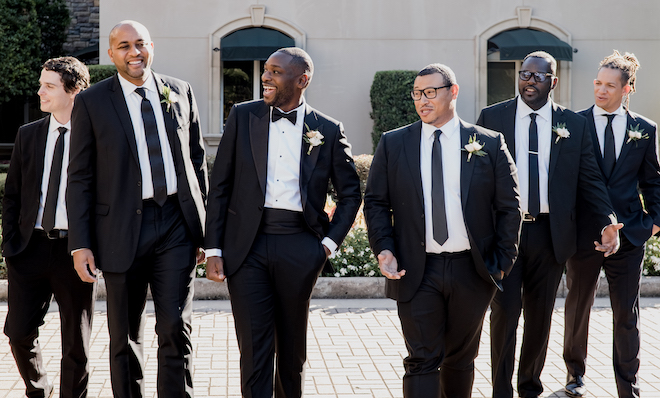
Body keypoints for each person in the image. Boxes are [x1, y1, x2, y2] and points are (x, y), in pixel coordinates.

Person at [204, 47, 361, 398]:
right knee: (255, 351)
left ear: (301, 80)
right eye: (266, 71)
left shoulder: (329, 130)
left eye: (275, 71)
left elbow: (351, 195)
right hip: (247, 247)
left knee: (292, 353)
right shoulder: (242, 116)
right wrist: (214, 247)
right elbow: (221, 186)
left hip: (300, 246)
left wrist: (326, 246)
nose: (265, 76)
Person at [67, 20, 207, 398]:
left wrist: (206, 232)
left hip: (176, 224)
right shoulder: (92, 102)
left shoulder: (180, 91)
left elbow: (196, 162)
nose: (134, 52)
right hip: (120, 232)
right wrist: (80, 243)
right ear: (110, 54)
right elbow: (79, 176)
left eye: (140, 44)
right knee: (124, 337)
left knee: (175, 328)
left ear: (152, 47)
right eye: (124, 46)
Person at [364, 63, 522, 398]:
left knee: (460, 359)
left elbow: (510, 207)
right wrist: (384, 248)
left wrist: (501, 263)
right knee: (421, 358)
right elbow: (376, 202)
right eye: (417, 94)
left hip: (472, 269)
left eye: (430, 92)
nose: (423, 100)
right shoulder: (394, 144)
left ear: (453, 92)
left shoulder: (489, 144)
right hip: (416, 269)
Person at [476, 50, 622, 398]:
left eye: (538, 76)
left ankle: (529, 387)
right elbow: (477, 181)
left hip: (549, 234)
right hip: (506, 234)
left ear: (552, 82)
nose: (529, 80)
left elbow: (590, 179)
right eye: (524, 74)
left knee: (539, 318)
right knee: (505, 314)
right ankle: (500, 391)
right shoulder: (491, 117)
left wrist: (608, 219)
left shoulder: (573, 124)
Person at [562, 51, 659, 398]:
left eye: (609, 85)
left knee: (626, 315)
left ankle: (627, 383)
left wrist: (653, 224)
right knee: (577, 309)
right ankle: (575, 374)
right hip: (585, 235)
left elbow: (653, 182)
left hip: (630, 235)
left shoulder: (644, 130)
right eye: (597, 83)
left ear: (627, 88)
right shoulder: (574, 124)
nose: (601, 91)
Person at [2, 56, 95, 398]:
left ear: (75, 91)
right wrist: (10, 243)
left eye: (49, 86)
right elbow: (12, 194)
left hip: (77, 250)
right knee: (18, 332)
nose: (39, 91)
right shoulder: (29, 135)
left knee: (76, 340)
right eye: (41, 84)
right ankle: (38, 389)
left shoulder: (97, 137)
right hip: (30, 248)